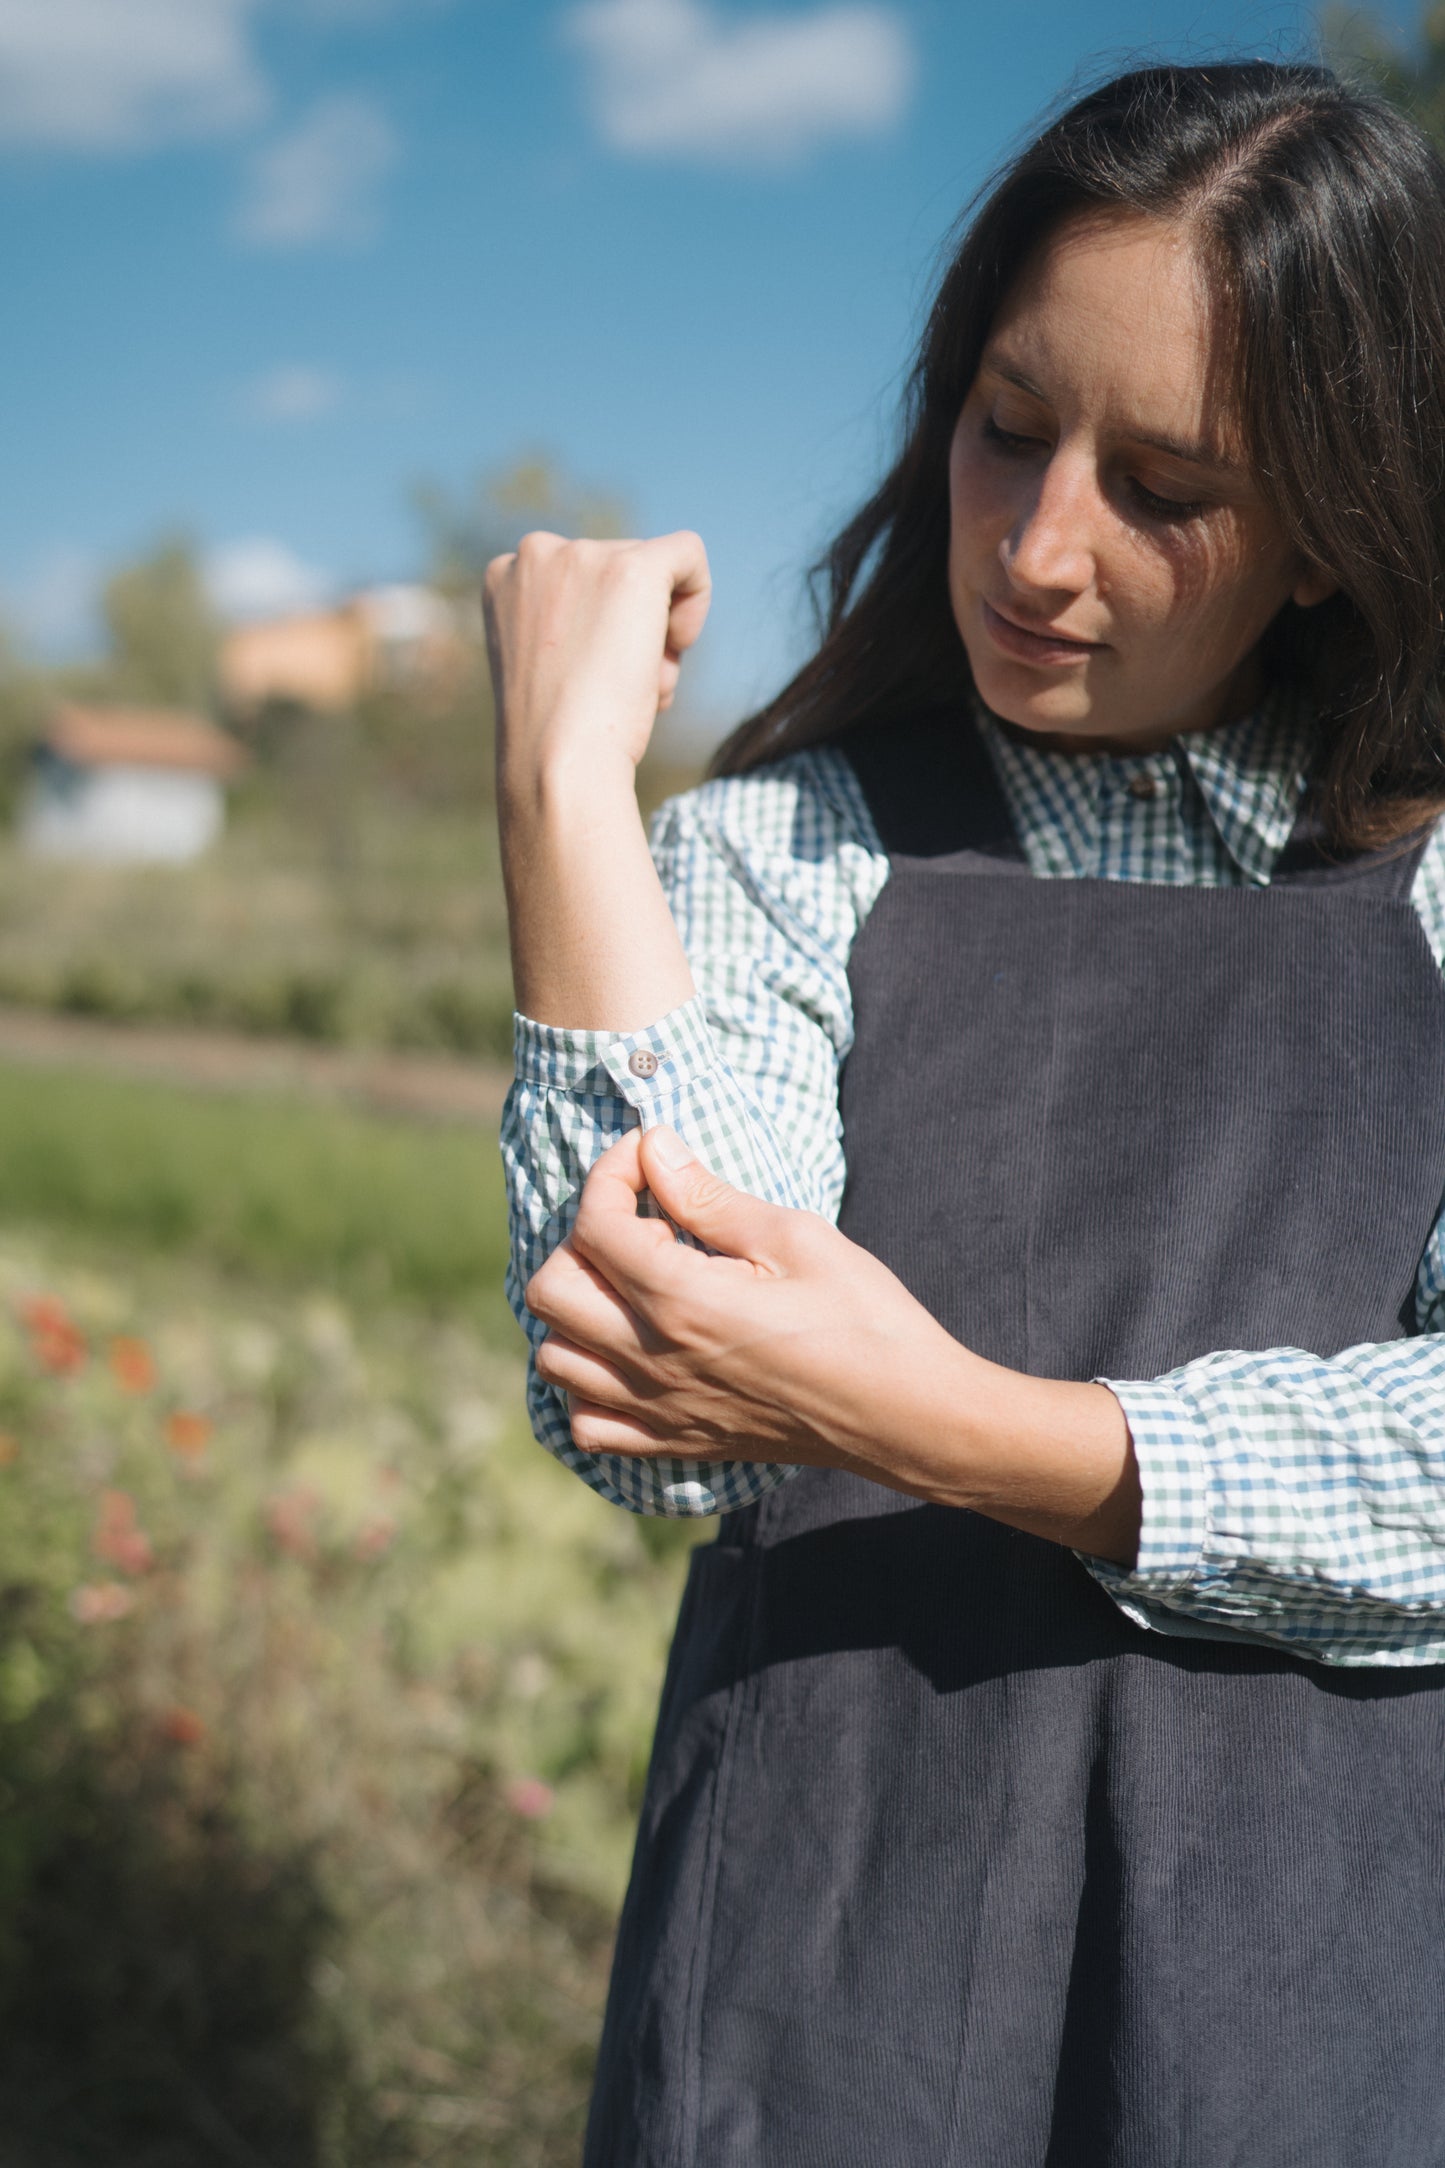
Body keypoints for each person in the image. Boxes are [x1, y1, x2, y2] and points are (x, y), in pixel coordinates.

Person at [487, 60, 1445, 2168]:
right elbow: (647, 1422)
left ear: (1327, 537)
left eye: (1166, 487)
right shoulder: (790, 854)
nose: (1037, 544)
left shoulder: (1437, 890)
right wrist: (565, 796)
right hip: (827, 1961)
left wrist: (940, 1417)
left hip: (1305, 1990)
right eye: (1011, 429)